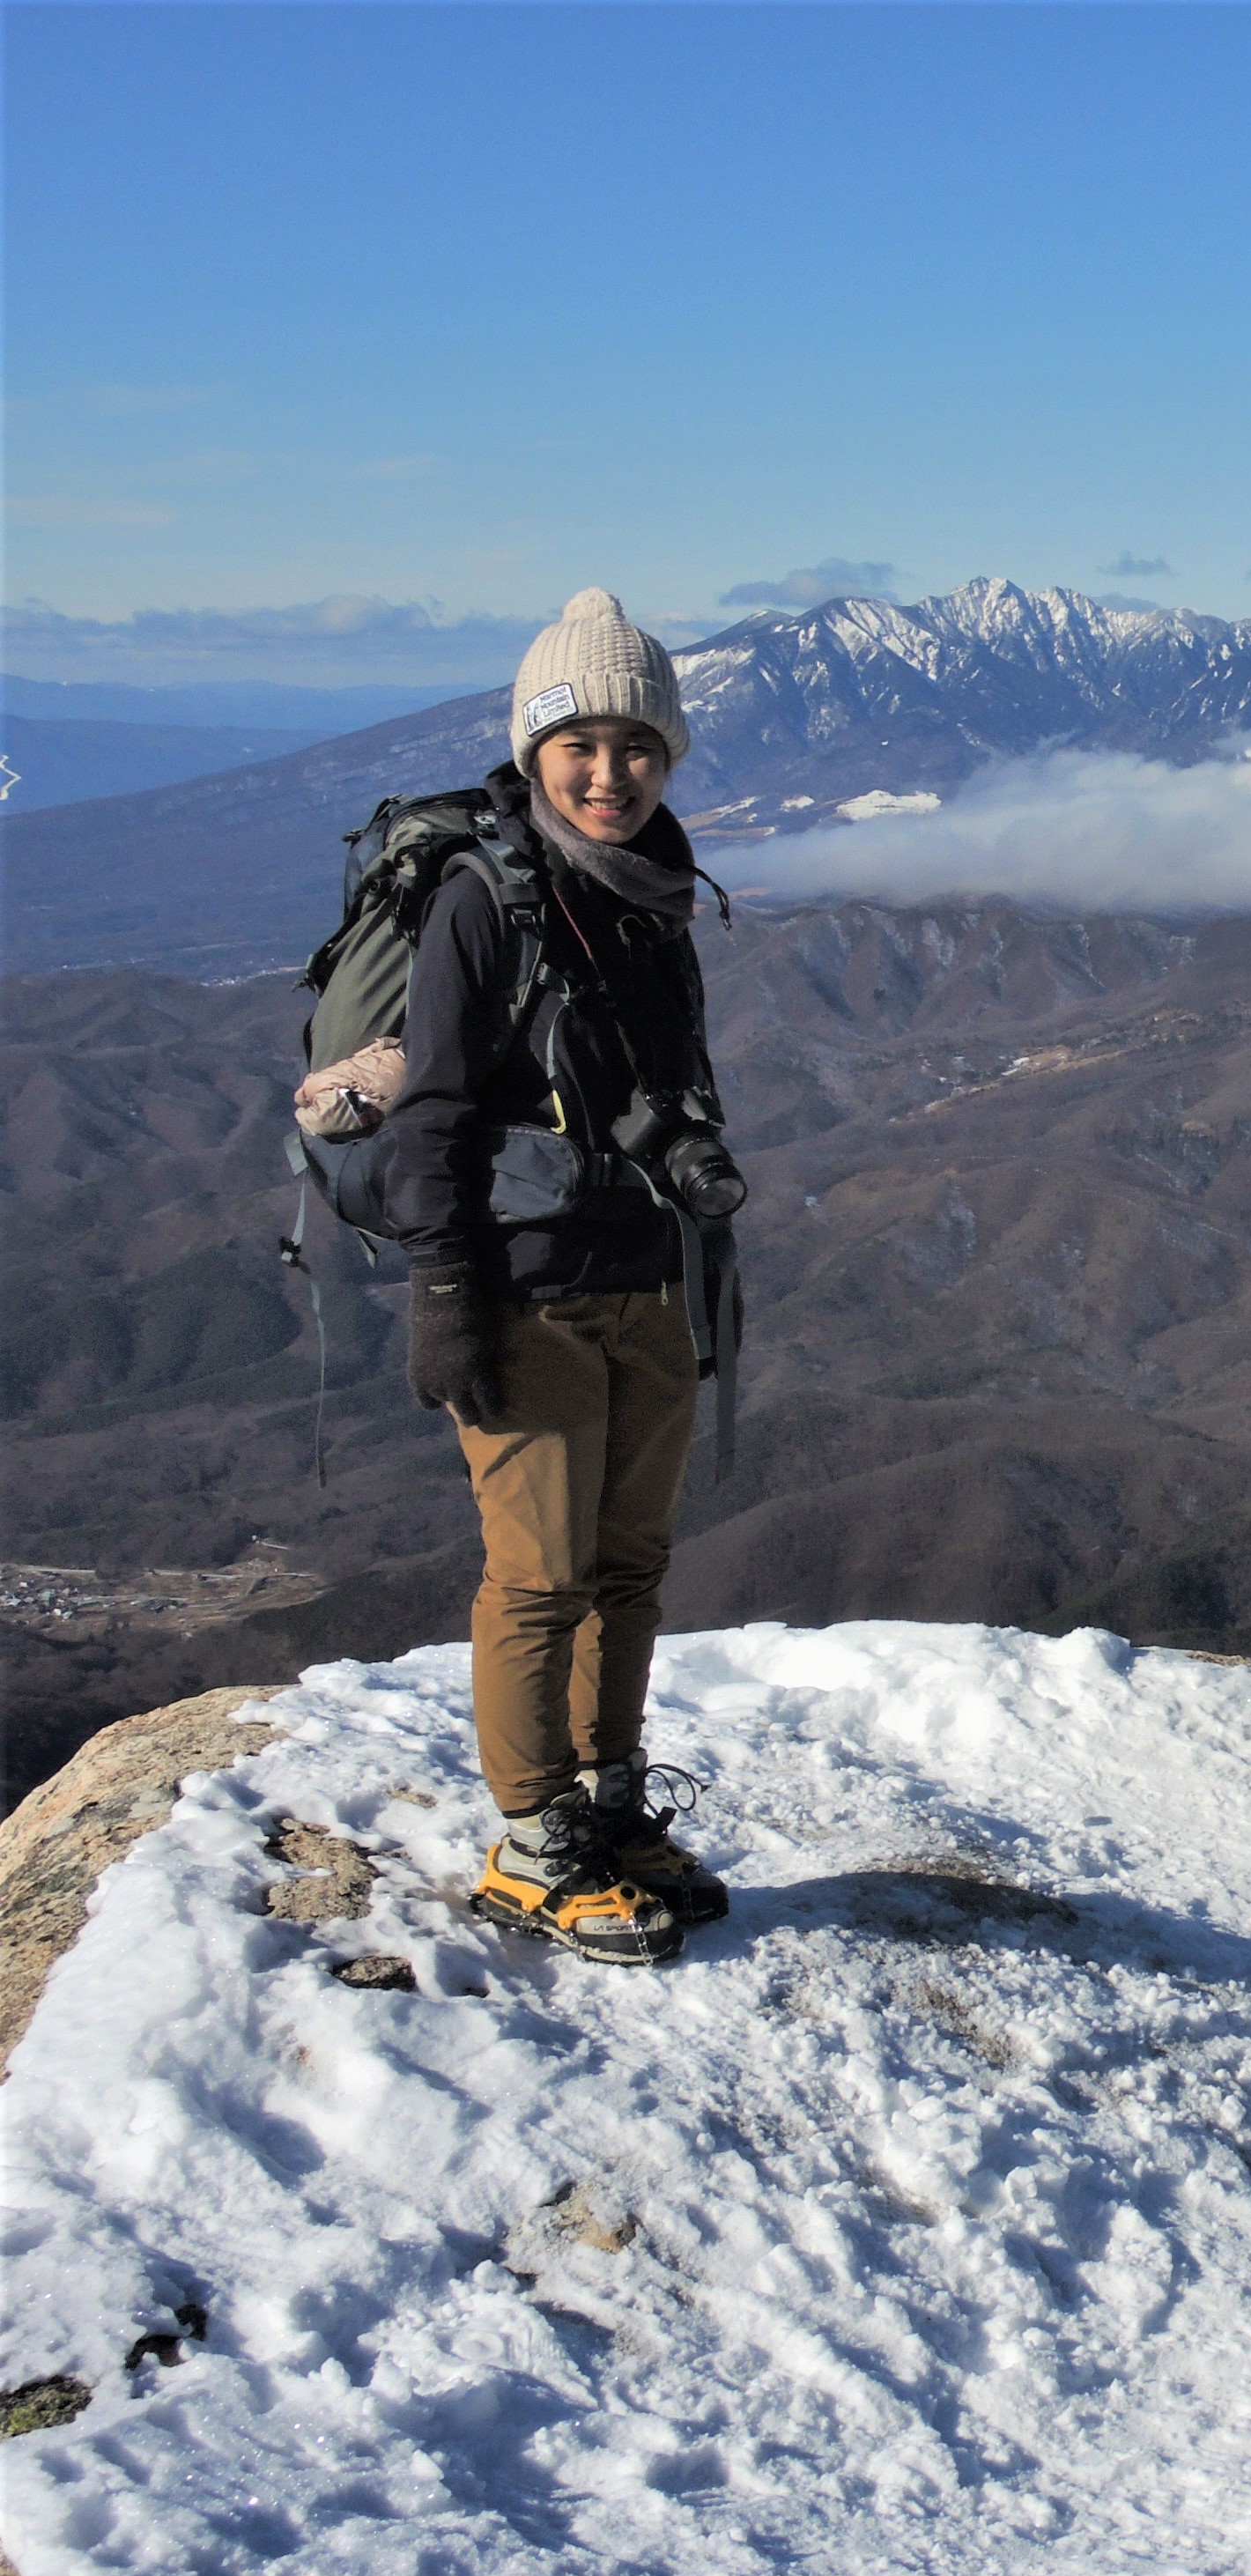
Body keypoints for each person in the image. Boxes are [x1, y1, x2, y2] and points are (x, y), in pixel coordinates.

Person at [389, 588, 739, 1965]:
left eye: (638, 746)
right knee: (538, 1579)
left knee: (630, 1565)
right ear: (532, 751)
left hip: (647, 1276)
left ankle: (606, 1803)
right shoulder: (485, 905)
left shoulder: (656, 892)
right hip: (526, 1287)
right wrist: (443, 1294)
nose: (610, 773)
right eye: (579, 745)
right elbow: (428, 1117)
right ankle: (533, 1839)